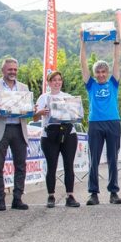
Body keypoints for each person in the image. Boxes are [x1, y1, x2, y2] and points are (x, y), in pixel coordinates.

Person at [80, 32, 121, 205]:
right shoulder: (90, 85)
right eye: (97, 72)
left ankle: (113, 192)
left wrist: (116, 44)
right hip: (95, 123)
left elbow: (116, 62)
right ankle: (93, 193)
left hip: (113, 122)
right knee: (94, 160)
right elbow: (83, 64)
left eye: (103, 72)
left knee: (113, 159)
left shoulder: (113, 83)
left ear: (107, 72)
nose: (100, 74)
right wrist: (83, 43)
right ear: (94, 74)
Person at [0, 57, 30, 211]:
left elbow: (28, 106)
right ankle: (0, 199)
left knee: (21, 165)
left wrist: (31, 109)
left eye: (15, 69)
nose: (13, 72)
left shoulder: (23, 87)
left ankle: (18, 198)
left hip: (19, 128)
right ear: (2, 70)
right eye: (10, 69)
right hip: (0, 128)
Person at [34, 71, 81, 208]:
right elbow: (35, 118)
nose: (57, 82)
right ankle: (51, 196)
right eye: (54, 80)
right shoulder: (43, 98)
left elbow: (76, 116)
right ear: (49, 83)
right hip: (49, 134)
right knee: (51, 166)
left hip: (68, 132)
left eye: (59, 80)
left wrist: (74, 112)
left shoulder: (68, 97)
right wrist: (40, 112)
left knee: (69, 165)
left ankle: (70, 196)